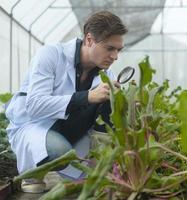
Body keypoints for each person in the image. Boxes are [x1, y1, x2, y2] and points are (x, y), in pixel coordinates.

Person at [5, 11, 127, 193]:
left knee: (110, 101)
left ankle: (97, 167)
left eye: (118, 50)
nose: (115, 56)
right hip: (34, 125)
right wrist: (88, 96)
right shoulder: (51, 54)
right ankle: (32, 171)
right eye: (110, 48)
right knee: (59, 153)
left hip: (71, 128)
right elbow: (34, 105)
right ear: (89, 40)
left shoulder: (106, 74)